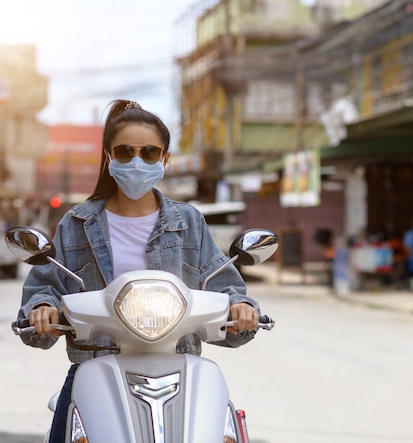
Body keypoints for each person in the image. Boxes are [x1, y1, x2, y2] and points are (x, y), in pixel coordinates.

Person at [17, 99, 260, 443]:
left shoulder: (187, 221)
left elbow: (221, 281)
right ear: (108, 157)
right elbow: (47, 285)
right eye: (125, 151)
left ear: (165, 159)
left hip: (179, 362)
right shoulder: (77, 222)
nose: (137, 161)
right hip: (97, 363)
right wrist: (41, 309)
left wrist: (242, 308)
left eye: (149, 152)